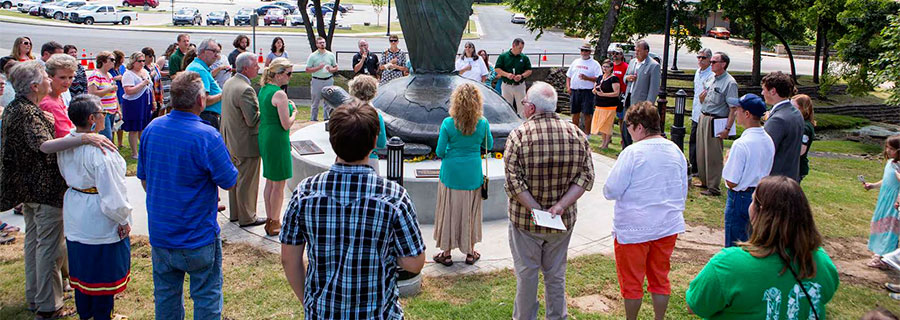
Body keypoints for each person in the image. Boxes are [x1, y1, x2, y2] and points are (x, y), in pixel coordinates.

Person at [280, 101, 425, 318]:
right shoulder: (393, 197)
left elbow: (289, 258)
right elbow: (414, 263)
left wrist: (310, 304)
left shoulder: (305, 193)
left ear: (332, 139)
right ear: (375, 141)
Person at [1, 60, 113, 319]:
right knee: (49, 248)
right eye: (47, 78)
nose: (51, 82)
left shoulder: (18, 108)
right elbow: (43, 146)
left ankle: (35, 297)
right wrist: (84, 137)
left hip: (28, 188)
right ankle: (49, 306)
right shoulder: (28, 112)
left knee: (35, 243)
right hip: (43, 188)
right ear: (34, 85)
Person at [137, 71, 238, 320]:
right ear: (201, 101)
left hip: (162, 234)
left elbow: (144, 179)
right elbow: (229, 181)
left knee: (166, 296)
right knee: (206, 295)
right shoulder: (206, 136)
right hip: (198, 237)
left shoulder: (152, 129)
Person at [686, 176, 839, 319]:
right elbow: (825, 295)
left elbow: (694, 306)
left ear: (760, 212)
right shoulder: (821, 261)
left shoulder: (728, 265)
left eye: (752, 201)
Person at [504, 82, 594, 319]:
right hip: (562, 221)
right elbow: (587, 176)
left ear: (531, 108)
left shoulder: (519, 135)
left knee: (527, 275)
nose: (523, 107)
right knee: (556, 275)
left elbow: (513, 183)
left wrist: (537, 210)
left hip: (525, 222)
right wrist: (561, 206)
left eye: (524, 104)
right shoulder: (577, 134)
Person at [603, 101, 686, 320]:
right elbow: (682, 187)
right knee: (660, 278)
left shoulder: (633, 152)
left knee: (632, 282)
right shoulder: (675, 150)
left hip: (633, 228)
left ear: (639, 127)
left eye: (629, 127)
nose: (628, 132)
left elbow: (611, 190)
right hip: (667, 225)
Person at [57, 94, 132, 320]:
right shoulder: (102, 152)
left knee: (83, 270)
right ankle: (101, 315)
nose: (105, 117)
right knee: (101, 274)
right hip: (99, 215)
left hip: (75, 209)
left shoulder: (67, 141)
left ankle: (86, 314)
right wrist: (123, 219)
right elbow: (113, 193)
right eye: (102, 113)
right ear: (92, 118)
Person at [431, 83, 493, 267]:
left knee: (449, 210)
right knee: (470, 212)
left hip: (451, 173)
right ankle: (470, 252)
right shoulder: (482, 123)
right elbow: (488, 143)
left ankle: (447, 253)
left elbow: (440, 151)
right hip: (473, 172)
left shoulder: (448, 123)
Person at [721, 94, 775, 247]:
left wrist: (727, 162)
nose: (735, 113)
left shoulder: (741, 144)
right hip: (760, 195)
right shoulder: (768, 139)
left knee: (735, 245)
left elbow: (731, 181)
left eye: (738, 110)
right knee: (755, 243)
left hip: (740, 197)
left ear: (747, 114)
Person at [221, 52, 266, 228]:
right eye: (256, 66)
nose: (258, 68)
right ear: (246, 68)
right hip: (246, 143)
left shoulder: (230, 82)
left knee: (236, 180)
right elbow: (252, 119)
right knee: (248, 182)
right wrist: (268, 110)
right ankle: (248, 217)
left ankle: (236, 214)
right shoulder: (246, 89)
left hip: (231, 140)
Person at [258, 58, 297, 236]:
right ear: (279, 74)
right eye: (288, 73)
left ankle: (270, 218)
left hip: (266, 135)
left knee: (270, 181)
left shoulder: (265, 89)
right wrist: (294, 112)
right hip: (277, 138)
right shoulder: (280, 94)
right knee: (279, 184)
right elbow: (286, 124)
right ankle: (275, 221)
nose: (290, 77)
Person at [696, 52, 739, 196]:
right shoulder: (711, 79)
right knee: (702, 151)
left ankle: (713, 186)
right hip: (704, 116)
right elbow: (706, 97)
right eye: (712, 61)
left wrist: (727, 128)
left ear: (723, 64)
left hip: (716, 120)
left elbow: (733, 109)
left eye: (714, 61)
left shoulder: (730, 82)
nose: (711, 63)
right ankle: (704, 181)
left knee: (713, 154)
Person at [862, 135, 900, 270]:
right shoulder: (890, 163)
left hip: (894, 202)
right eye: (887, 147)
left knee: (889, 227)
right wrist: (872, 185)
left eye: (892, 149)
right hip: (884, 200)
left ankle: (883, 258)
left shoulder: (898, 165)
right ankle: (882, 252)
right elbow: (887, 180)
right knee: (880, 224)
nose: (888, 151)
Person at [761, 71, 804, 181]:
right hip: (791, 176)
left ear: (773, 91)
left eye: (764, 89)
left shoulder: (778, 119)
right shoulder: (795, 112)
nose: (762, 93)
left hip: (775, 180)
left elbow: (765, 150)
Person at [621, 40, 660, 148]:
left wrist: (648, 106)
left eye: (639, 51)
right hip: (629, 98)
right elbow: (625, 77)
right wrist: (627, 78)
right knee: (626, 126)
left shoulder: (653, 66)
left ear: (646, 51)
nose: (636, 53)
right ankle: (625, 149)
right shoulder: (633, 62)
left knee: (639, 128)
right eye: (635, 50)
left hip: (641, 104)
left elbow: (653, 89)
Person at [347, 75, 387, 172]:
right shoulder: (377, 116)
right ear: (374, 92)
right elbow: (381, 143)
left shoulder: (345, 114)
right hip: (370, 159)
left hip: (347, 157)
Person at [121, 52, 155, 159]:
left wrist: (153, 101)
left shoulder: (145, 72)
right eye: (139, 61)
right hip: (133, 103)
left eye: (143, 61)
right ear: (133, 62)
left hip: (145, 102)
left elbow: (150, 87)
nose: (142, 63)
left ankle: (144, 149)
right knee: (134, 128)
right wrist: (142, 84)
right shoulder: (128, 74)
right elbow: (128, 91)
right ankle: (135, 153)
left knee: (144, 127)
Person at [186, 38, 225, 130]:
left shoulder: (197, 67)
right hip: (207, 117)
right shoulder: (200, 70)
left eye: (218, 52)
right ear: (203, 51)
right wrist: (223, 94)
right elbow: (204, 100)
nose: (216, 55)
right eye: (214, 51)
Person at [689, 48, 714, 176]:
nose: (700, 60)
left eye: (703, 58)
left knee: (702, 142)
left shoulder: (712, 75)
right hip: (696, 112)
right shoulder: (697, 72)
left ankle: (700, 169)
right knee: (693, 139)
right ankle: (693, 167)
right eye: (698, 57)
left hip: (705, 113)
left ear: (710, 59)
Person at [566, 43, 601, 135]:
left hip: (587, 91)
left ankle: (587, 134)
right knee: (575, 112)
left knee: (587, 113)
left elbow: (599, 78)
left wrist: (587, 78)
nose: (584, 53)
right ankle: (575, 132)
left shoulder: (594, 64)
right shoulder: (576, 62)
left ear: (590, 52)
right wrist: (568, 87)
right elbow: (568, 76)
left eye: (586, 51)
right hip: (575, 90)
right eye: (582, 50)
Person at [40, 53, 77, 138]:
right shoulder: (49, 103)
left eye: (70, 77)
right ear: (49, 76)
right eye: (62, 77)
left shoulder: (58, 95)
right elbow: (65, 135)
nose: (67, 82)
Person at [495, 38, 533, 118]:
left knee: (522, 106)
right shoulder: (503, 56)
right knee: (507, 106)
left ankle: (523, 122)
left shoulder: (524, 57)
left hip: (519, 85)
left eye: (522, 48)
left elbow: (529, 70)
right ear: (513, 46)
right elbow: (497, 69)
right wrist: (507, 75)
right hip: (506, 85)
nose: (521, 50)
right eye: (519, 48)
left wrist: (522, 76)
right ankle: (507, 122)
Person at [88, 51, 120, 141]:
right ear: (103, 61)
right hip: (102, 111)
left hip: (112, 110)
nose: (114, 62)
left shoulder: (109, 75)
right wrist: (109, 89)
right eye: (112, 60)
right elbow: (92, 93)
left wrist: (118, 108)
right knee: (106, 137)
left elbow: (114, 94)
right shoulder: (96, 75)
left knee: (111, 135)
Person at [306, 37, 338, 121]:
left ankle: (326, 119)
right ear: (317, 44)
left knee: (328, 101)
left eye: (323, 42)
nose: (322, 44)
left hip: (328, 79)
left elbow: (336, 67)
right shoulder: (313, 56)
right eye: (320, 43)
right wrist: (318, 68)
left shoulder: (330, 55)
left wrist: (332, 70)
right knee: (315, 102)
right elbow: (307, 69)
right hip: (317, 80)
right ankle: (313, 119)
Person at [590, 59, 620, 149]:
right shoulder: (600, 77)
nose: (605, 69)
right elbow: (594, 88)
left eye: (607, 67)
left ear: (611, 68)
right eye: (604, 67)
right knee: (602, 124)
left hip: (610, 105)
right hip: (599, 104)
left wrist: (604, 94)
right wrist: (596, 90)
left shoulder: (614, 78)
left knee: (607, 124)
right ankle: (603, 142)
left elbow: (616, 93)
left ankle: (606, 143)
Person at [793, 94, 816, 182]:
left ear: (803, 109)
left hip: (797, 167)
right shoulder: (800, 123)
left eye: (794, 107)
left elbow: (801, 150)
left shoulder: (805, 127)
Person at [110, 50, 127, 148]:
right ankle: (112, 143)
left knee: (120, 121)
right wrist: (115, 78)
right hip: (113, 97)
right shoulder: (110, 70)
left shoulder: (122, 68)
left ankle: (120, 143)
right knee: (113, 122)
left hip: (121, 96)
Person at [142, 47, 164, 117]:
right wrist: (150, 75)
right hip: (149, 92)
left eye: (153, 56)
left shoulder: (155, 66)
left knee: (157, 112)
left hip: (157, 92)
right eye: (150, 56)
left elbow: (159, 79)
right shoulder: (142, 67)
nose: (151, 58)